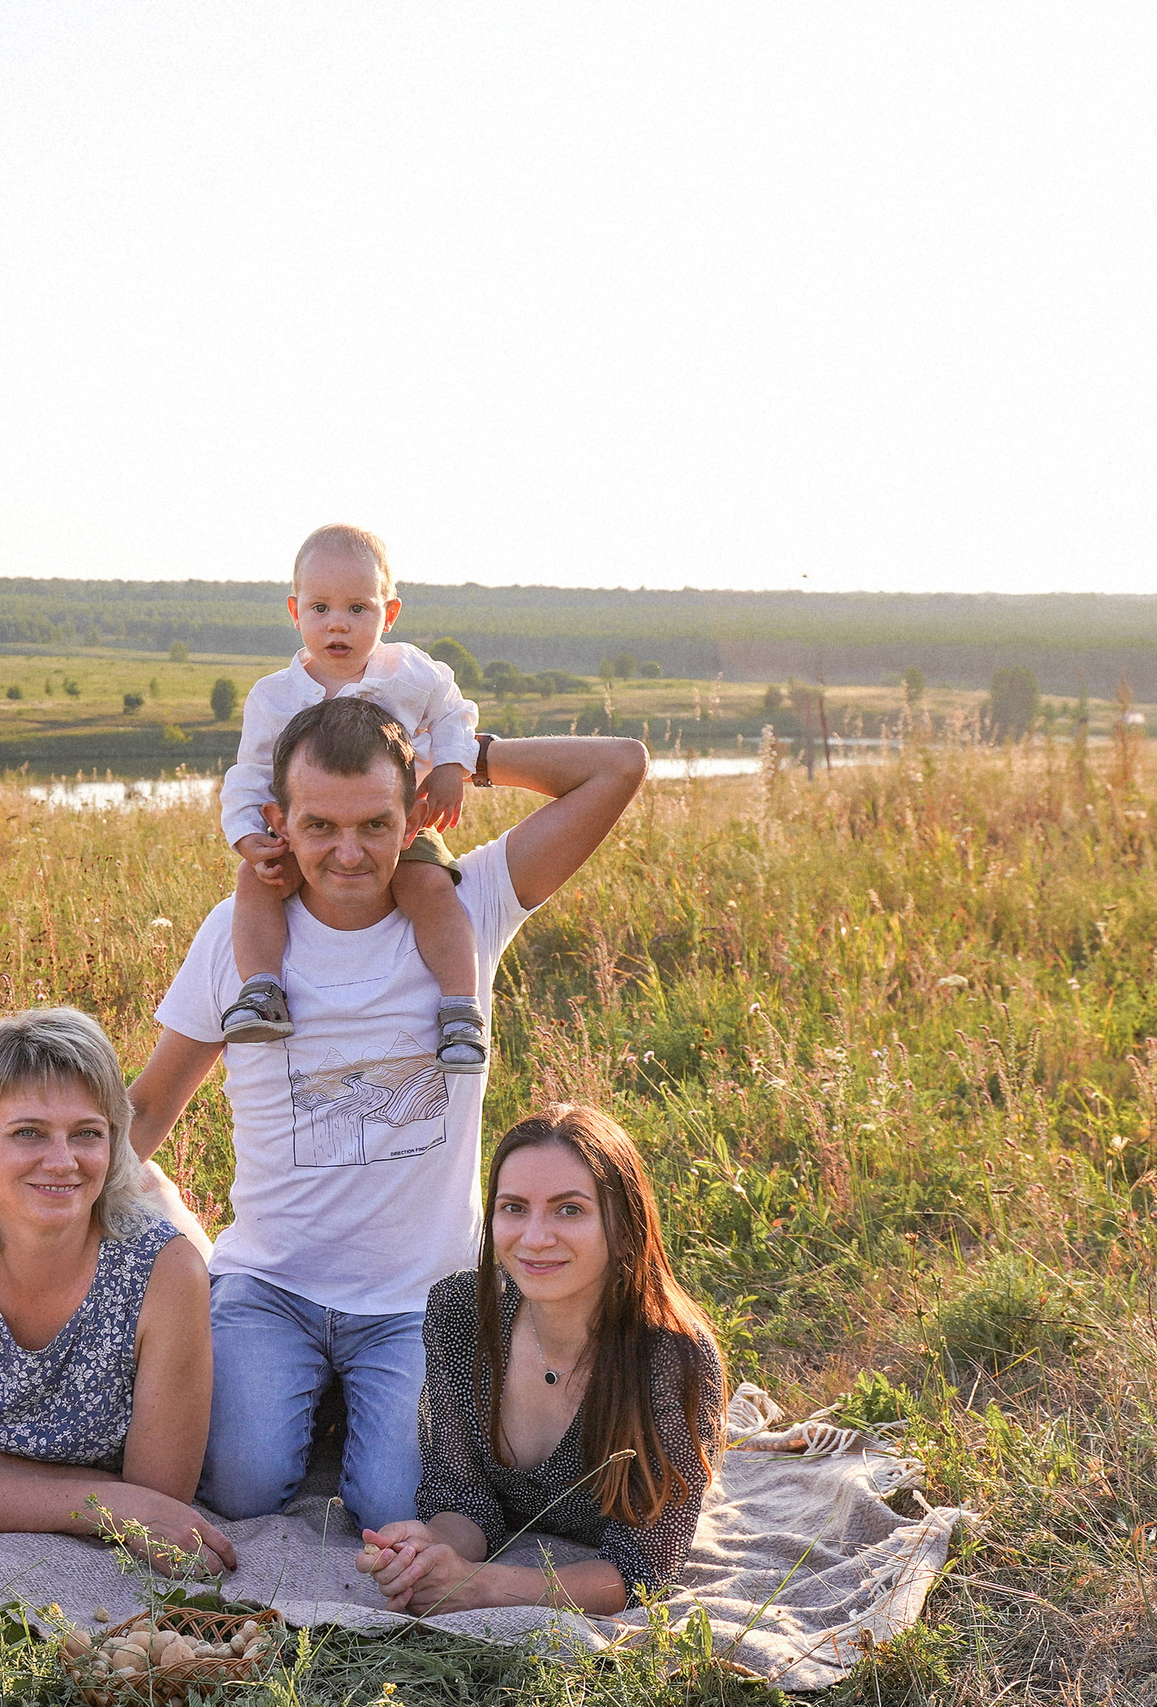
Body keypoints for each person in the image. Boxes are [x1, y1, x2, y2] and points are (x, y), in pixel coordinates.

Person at [128, 695, 649, 1530]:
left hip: (419, 1299)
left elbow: (618, 766)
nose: (347, 852)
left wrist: (463, 756)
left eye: (374, 823)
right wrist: (29, 1220)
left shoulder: (467, 905)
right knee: (239, 1486)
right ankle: (294, 1384)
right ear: (276, 822)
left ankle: (353, 1413)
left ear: (413, 821)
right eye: (320, 826)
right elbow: (153, 1099)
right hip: (271, 1282)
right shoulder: (237, 932)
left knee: (393, 1505)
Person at [0, 1008, 235, 1574]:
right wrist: (110, 1501)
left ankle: (156, 1192)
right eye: (28, 1133)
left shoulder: (167, 1271)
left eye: (88, 1134)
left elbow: (160, 1499)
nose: (63, 1162)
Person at [361, 1104, 726, 1615]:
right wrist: (429, 1553)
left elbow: (643, 1571)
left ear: (624, 1227)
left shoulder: (672, 1358)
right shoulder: (461, 1312)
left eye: (569, 1209)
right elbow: (462, 1495)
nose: (534, 1237)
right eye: (513, 1207)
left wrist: (481, 1586)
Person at [219, 525, 487, 1072]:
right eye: (320, 607)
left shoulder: (407, 672)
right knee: (258, 882)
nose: (337, 623)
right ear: (295, 612)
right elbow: (248, 772)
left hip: (390, 828)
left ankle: (461, 1010)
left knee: (431, 886)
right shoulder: (275, 696)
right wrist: (248, 836)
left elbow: (455, 712)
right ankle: (262, 990)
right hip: (307, 831)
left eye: (358, 608)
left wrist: (455, 767)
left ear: (388, 615)